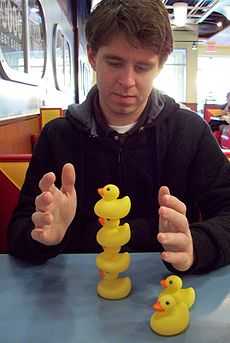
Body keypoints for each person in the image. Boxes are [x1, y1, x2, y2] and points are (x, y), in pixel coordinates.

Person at [8, 0, 230, 274]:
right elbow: (18, 232)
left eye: (142, 67)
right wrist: (44, 237)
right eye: (114, 62)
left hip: (166, 291)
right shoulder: (57, 137)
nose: (127, 81)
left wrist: (196, 246)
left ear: (159, 66)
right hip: (77, 294)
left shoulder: (191, 132)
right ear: (92, 57)